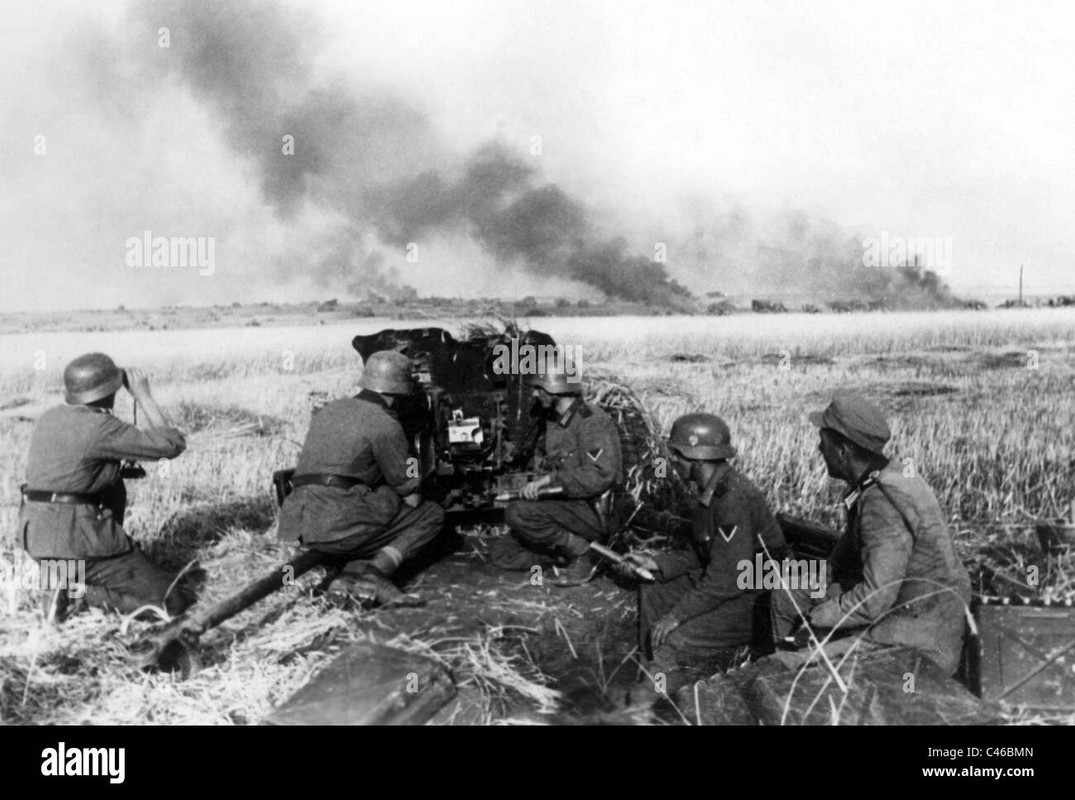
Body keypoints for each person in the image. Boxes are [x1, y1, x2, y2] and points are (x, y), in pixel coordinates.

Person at [771, 390, 971, 674]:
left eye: (823, 442)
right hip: (908, 607)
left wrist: (818, 618)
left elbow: (875, 598)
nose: (819, 450)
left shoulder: (882, 502)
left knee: (785, 668)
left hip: (914, 634)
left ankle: (792, 680)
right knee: (789, 593)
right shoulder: (883, 478)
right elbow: (851, 545)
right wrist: (819, 577)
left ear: (843, 451)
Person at [17, 352, 191, 620]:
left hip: (37, 539)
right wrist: (143, 396)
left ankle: (61, 580)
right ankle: (77, 593)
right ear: (109, 390)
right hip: (77, 542)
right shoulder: (101, 427)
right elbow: (171, 445)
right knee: (170, 602)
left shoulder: (49, 418)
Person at [623, 413, 787, 693]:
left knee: (678, 639)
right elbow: (701, 552)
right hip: (733, 581)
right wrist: (657, 563)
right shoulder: (707, 492)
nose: (671, 461)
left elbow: (726, 578)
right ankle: (652, 673)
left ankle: (655, 699)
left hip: (758, 594)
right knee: (654, 592)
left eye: (677, 455)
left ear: (698, 460)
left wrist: (677, 616)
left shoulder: (731, 499)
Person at [277, 350, 444, 606]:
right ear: (401, 392)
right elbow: (411, 497)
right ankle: (377, 573)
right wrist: (414, 470)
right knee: (430, 514)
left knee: (369, 516)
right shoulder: (385, 423)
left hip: (303, 524)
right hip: (342, 524)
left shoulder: (331, 409)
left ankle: (349, 575)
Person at [490, 364, 623, 585]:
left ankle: (585, 554)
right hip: (570, 505)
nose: (533, 394)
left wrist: (552, 480)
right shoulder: (556, 420)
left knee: (519, 512)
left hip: (594, 510)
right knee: (504, 553)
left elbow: (600, 475)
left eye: (537, 388)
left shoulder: (591, 420)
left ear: (553, 389)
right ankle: (564, 552)